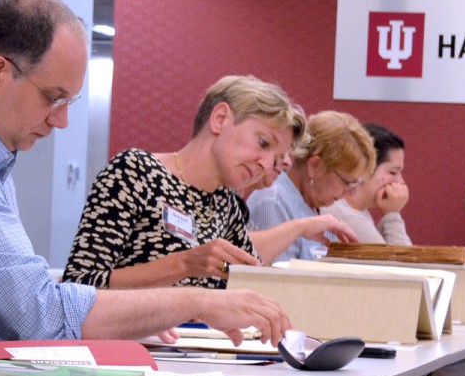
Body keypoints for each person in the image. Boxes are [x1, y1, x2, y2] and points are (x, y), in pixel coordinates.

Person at [0, 0, 291, 346]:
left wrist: (141, 315)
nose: (61, 120)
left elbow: (31, 295)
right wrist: (191, 301)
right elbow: (39, 315)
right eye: (53, 97)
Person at [62, 75, 332, 290]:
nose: (265, 164)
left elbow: (247, 274)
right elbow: (80, 285)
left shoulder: (227, 205)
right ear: (220, 119)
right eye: (262, 143)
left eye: (275, 157)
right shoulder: (135, 172)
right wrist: (184, 265)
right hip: (134, 351)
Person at [246, 110, 374, 262]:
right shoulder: (272, 201)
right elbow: (277, 280)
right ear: (315, 166)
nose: (350, 193)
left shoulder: (317, 207)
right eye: (347, 182)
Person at [321, 123, 411, 246]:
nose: (401, 182)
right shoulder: (346, 216)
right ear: (365, 168)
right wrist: (392, 215)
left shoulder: (357, 211)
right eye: (393, 172)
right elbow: (404, 263)